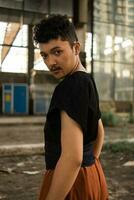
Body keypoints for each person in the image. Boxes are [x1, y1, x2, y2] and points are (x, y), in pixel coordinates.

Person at [33, 14, 109, 200]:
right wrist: (90, 165)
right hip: (90, 175)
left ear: (76, 48)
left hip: (70, 184)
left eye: (57, 52)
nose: (50, 62)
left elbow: (72, 158)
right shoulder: (86, 80)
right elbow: (99, 131)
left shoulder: (69, 87)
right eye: (45, 55)